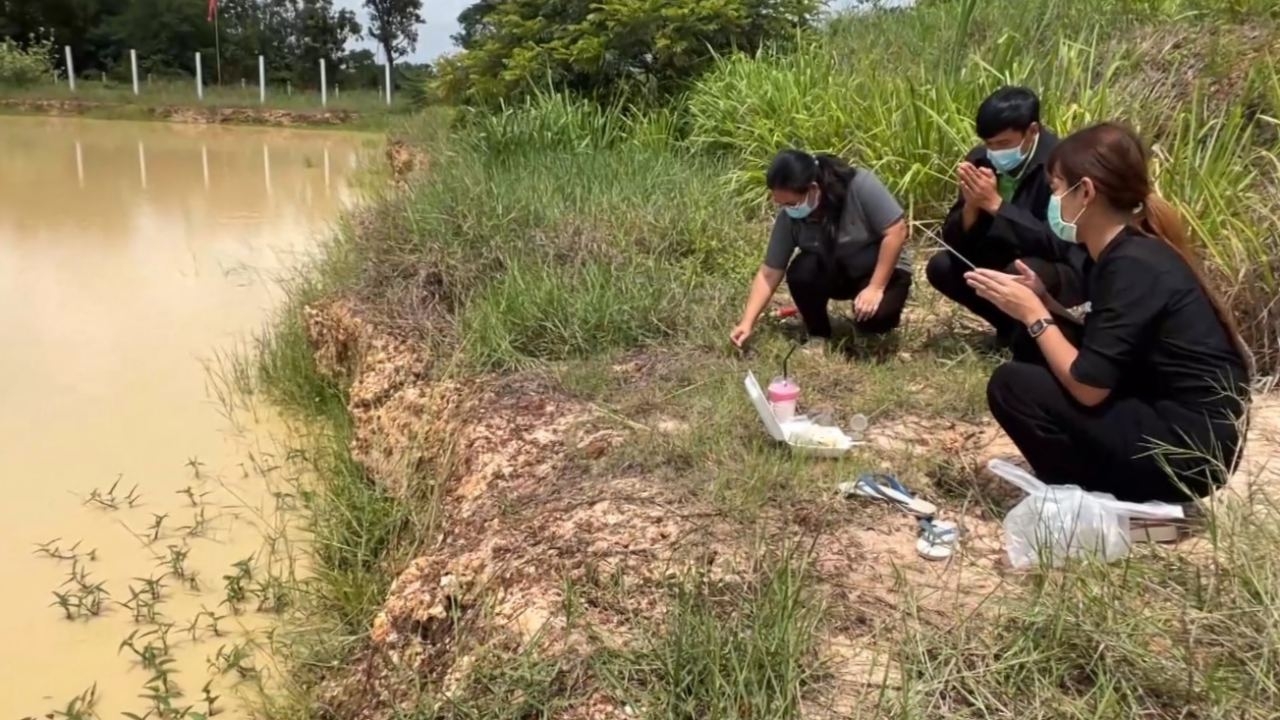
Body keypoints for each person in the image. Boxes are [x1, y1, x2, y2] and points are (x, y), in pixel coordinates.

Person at [967, 122, 1251, 503]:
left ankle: (1090, 495)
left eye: (1055, 189)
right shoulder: (1132, 252)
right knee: (1040, 345)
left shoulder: (1132, 264)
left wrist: (1034, 313)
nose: (1055, 202)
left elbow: (1088, 388)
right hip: (1184, 431)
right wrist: (1047, 305)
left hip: (1188, 453)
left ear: (1085, 192)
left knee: (1012, 385)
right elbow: (1114, 342)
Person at [927, 86, 1083, 346]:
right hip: (1001, 253)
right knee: (942, 266)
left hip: (1055, 266)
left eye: (1004, 144)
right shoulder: (981, 160)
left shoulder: (1061, 165)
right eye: (989, 144)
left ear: (1032, 131)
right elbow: (955, 240)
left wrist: (998, 206)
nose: (995, 152)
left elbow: (1058, 241)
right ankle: (1010, 330)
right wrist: (972, 207)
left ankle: (1046, 333)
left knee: (1022, 270)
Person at [730, 150, 910, 348]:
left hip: (880, 269)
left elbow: (897, 232)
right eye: (781, 204)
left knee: (878, 319)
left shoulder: (860, 185)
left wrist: (876, 287)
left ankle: (869, 331)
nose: (787, 209)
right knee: (801, 272)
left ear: (813, 189)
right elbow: (770, 273)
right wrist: (747, 322)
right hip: (836, 271)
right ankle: (818, 334)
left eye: (791, 203)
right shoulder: (790, 217)